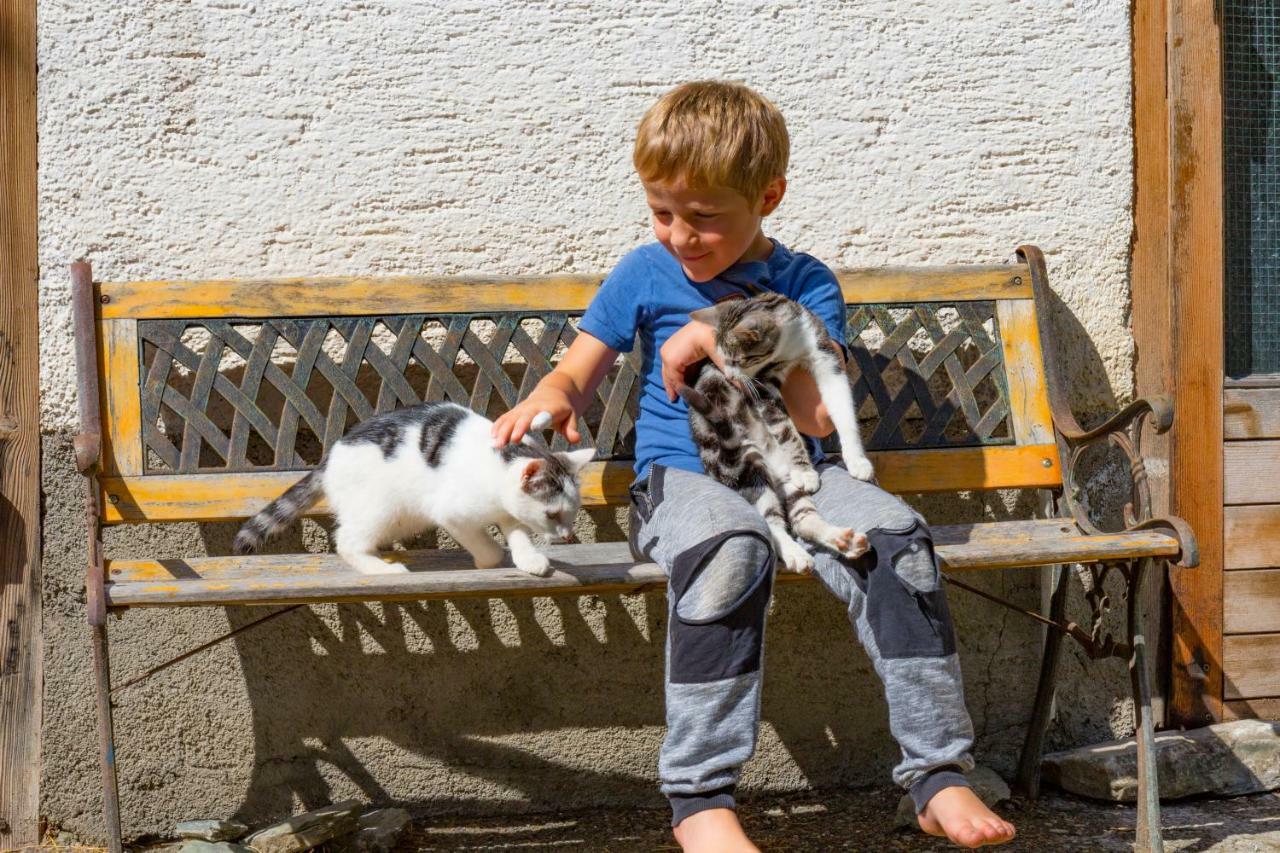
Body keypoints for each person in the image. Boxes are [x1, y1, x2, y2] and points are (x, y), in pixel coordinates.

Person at [492, 80, 1016, 851]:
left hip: (800, 471)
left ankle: (938, 774)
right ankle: (699, 797)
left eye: (704, 218)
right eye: (662, 212)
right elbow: (576, 372)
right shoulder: (643, 272)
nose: (679, 235)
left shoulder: (804, 284)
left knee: (899, 540)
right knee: (730, 550)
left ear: (767, 196)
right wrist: (553, 395)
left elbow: (814, 417)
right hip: (683, 483)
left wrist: (727, 325)